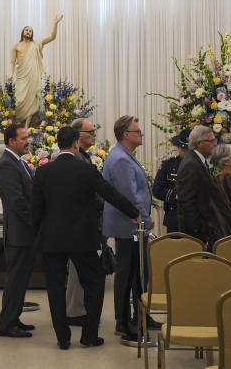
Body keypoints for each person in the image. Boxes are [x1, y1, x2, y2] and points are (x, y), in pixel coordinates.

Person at [32, 126, 141, 350]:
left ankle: (62, 338)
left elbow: (36, 210)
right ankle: (89, 335)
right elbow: (109, 193)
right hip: (82, 238)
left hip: (52, 240)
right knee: (94, 283)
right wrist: (133, 213)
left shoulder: (43, 172)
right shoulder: (86, 170)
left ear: (58, 145)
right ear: (75, 145)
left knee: (54, 288)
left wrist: (36, 239)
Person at [102, 115, 157, 339]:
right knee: (128, 273)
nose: (141, 134)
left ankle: (140, 315)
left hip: (132, 226)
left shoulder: (124, 155)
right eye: (138, 131)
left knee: (137, 273)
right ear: (126, 135)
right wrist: (144, 217)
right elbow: (129, 197)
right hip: (130, 226)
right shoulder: (121, 159)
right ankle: (123, 321)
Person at [0, 123, 36, 338]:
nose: (27, 141)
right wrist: (35, 222)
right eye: (23, 138)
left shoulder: (17, 162)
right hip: (19, 233)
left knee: (20, 281)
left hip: (24, 234)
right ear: (11, 141)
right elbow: (17, 201)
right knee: (15, 280)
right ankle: (6, 325)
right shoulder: (7, 165)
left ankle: (14, 319)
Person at [64, 118, 104, 327]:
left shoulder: (84, 157)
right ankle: (74, 310)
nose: (94, 134)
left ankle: (76, 308)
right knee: (78, 269)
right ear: (78, 136)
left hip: (85, 220)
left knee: (79, 269)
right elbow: (88, 189)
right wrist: (101, 204)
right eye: (91, 131)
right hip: (80, 222)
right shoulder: (77, 159)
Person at [9, 14, 62, 126]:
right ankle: (19, 123)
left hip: (33, 75)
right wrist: (10, 74)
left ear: (32, 34)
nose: (28, 32)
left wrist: (55, 23)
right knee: (20, 101)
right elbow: (12, 62)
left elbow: (52, 37)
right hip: (21, 75)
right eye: (26, 30)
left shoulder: (36, 43)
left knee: (32, 100)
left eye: (30, 31)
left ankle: (27, 126)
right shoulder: (16, 46)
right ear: (23, 32)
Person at [176, 125, 217, 244]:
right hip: (195, 232)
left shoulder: (198, 161)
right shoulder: (191, 164)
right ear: (199, 143)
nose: (215, 144)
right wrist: (196, 229)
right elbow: (187, 201)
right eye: (211, 141)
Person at [153, 131, 187, 234]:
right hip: (174, 218)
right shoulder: (169, 165)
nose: (184, 151)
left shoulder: (201, 166)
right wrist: (177, 196)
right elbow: (157, 189)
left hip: (198, 220)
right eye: (183, 148)